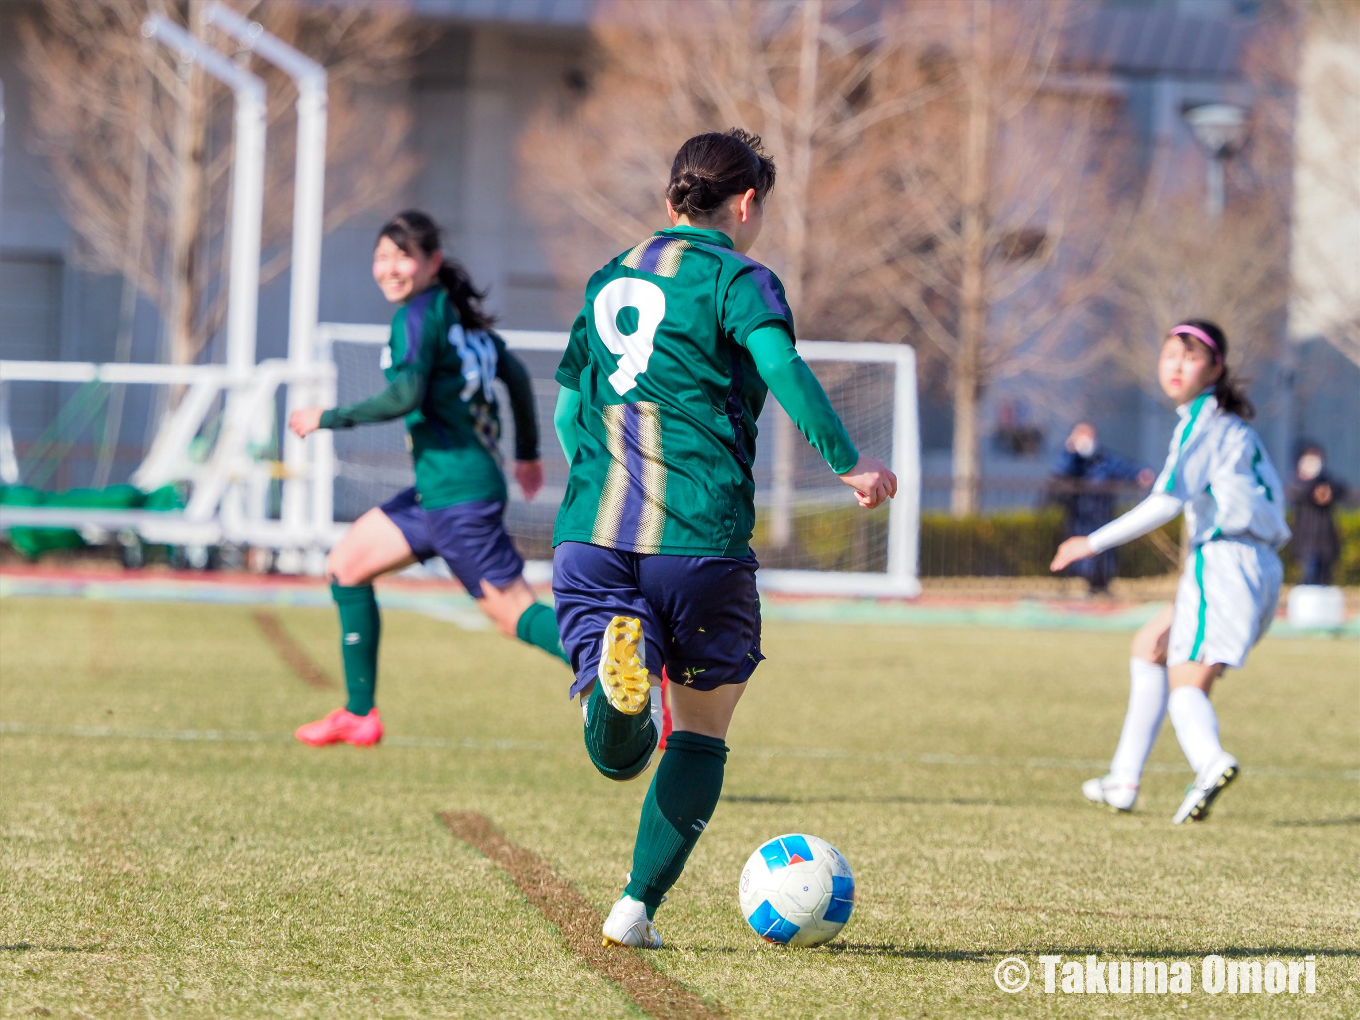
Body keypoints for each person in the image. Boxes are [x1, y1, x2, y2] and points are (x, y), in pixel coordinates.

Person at [551, 129, 896, 948]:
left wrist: (601, 478)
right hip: (697, 538)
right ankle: (633, 908)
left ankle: (614, 688)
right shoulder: (740, 277)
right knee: (698, 732)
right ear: (745, 204)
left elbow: (570, 409)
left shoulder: (608, 280)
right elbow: (780, 367)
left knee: (617, 750)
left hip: (591, 536)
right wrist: (848, 463)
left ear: (672, 198)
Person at [288, 210, 568, 747]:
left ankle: (634, 672)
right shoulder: (457, 316)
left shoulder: (420, 315)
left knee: (517, 616)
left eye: (402, 256)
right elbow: (512, 375)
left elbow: (405, 394)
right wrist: (527, 455)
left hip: (458, 496)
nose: (389, 268)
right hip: (440, 490)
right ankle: (359, 713)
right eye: (381, 256)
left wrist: (327, 417)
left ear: (431, 262)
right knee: (346, 566)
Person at [1051, 320, 1289, 823]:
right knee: (1150, 645)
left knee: (1186, 686)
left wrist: (1089, 542)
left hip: (1224, 559)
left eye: (1191, 356)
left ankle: (1209, 762)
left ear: (1216, 367)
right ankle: (1123, 780)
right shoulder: (1235, 427)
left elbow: (1165, 502)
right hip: (1261, 566)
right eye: (1169, 355)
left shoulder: (1202, 423)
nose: (1177, 365)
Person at [1050, 422, 1154, 594]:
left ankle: (1102, 585)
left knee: (1104, 552)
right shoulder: (1073, 459)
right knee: (1078, 552)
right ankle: (1079, 583)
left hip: (1102, 513)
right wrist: (1070, 451)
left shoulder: (1104, 459)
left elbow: (1123, 468)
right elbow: (1060, 472)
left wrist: (1140, 473)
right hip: (1079, 514)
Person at [1288, 444, 1347, 586]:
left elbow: (1342, 489)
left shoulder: (1327, 481)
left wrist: (1327, 491)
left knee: (1325, 581)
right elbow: (1300, 493)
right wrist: (1313, 485)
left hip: (1326, 542)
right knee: (1309, 580)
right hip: (1306, 543)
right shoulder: (1297, 483)